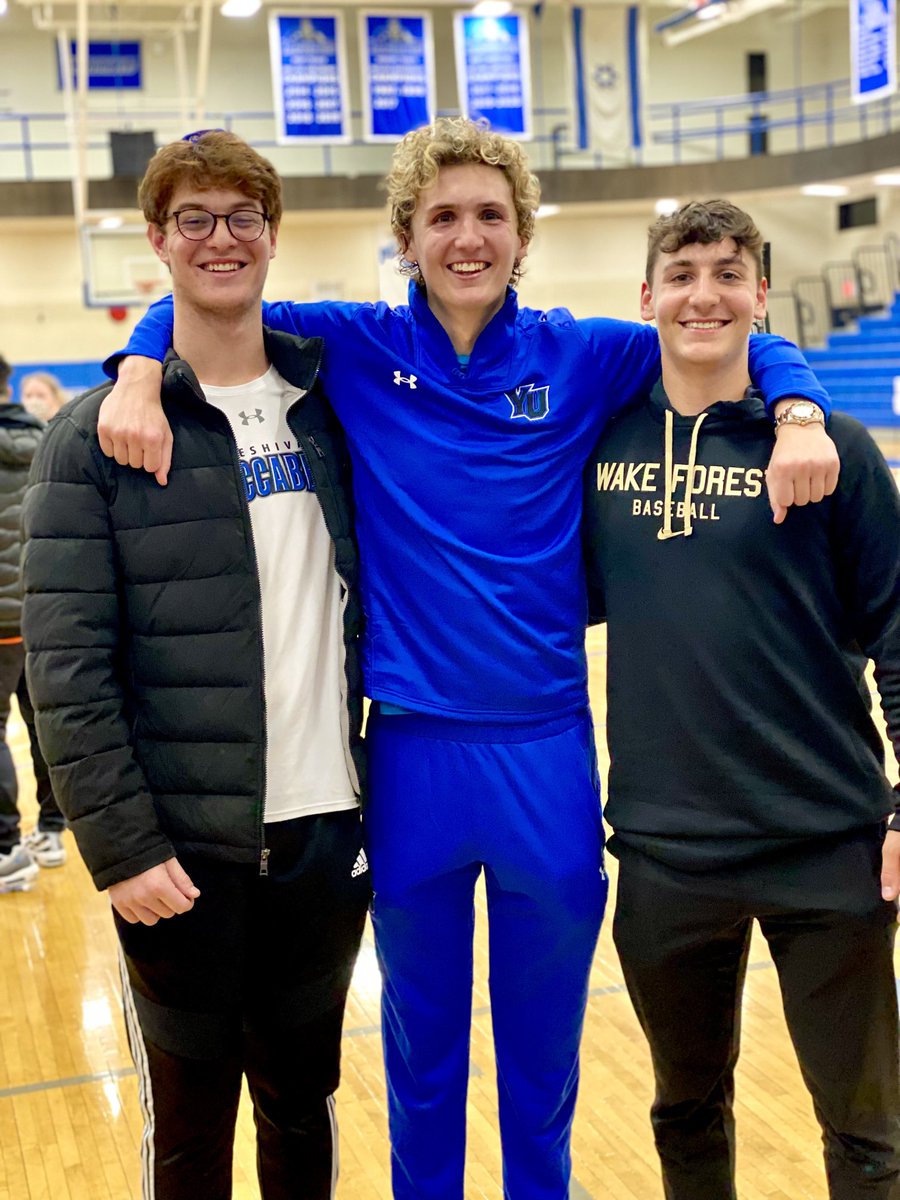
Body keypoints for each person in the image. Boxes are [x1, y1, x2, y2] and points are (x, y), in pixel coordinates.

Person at [95, 119, 839, 1200]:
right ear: (408, 234)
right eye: (443, 215)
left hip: (543, 755)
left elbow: (718, 331)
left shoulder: (585, 353)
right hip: (408, 762)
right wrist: (132, 368)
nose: (468, 236)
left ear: (523, 233)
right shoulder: (350, 343)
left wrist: (804, 406)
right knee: (422, 1062)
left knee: (542, 1068)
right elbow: (213, 300)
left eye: (491, 214)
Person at [20, 131, 370, 1200]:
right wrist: (120, 848)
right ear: (158, 242)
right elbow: (67, 666)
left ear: (272, 235)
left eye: (243, 218)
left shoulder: (335, 412)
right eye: (196, 220)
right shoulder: (93, 440)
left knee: (302, 1112)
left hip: (327, 838)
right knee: (188, 1137)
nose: (222, 239)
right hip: (179, 858)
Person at [583, 199, 900, 1199]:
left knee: (868, 1134)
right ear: (647, 298)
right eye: (683, 274)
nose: (705, 294)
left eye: (729, 273)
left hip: (826, 843)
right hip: (667, 854)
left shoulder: (832, 449)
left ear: (762, 294)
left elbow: (897, 628)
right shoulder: (596, 447)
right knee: (685, 1111)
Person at [0, 354, 65, 890]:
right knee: (43, 723)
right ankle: (52, 828)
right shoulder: (49, 438)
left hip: (2, 619)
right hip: (41, 608)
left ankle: (5, 849)